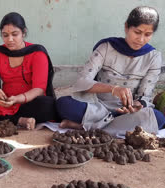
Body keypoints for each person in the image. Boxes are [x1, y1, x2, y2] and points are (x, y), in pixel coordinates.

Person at [55, 6, 164, 136]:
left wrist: (137, 104)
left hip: (126, 112)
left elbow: (145, 95)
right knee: (64, 104)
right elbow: (82, 81)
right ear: (126, 27)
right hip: (97, 106)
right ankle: (113, 126)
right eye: (137, 32)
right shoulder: (106, 48)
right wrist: (113, 89)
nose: (141, 39)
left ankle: (85, 126)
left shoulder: (154, 57)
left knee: (159, 118)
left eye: (147, 35)